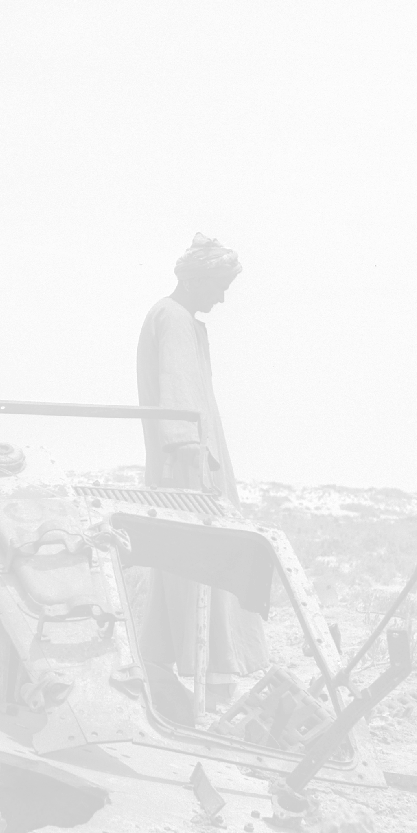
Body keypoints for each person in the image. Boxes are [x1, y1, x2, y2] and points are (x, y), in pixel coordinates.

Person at [136, 232, 268, 719]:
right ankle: (210, 688)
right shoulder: (172, 318)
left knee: (184, 568)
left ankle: (178, 672)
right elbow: (178, 398)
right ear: (195, 280)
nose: (222, 298)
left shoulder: (180, 319)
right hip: (189, 465)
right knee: (204, 564)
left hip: (194, 459)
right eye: (219, 286)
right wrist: (192, 458)